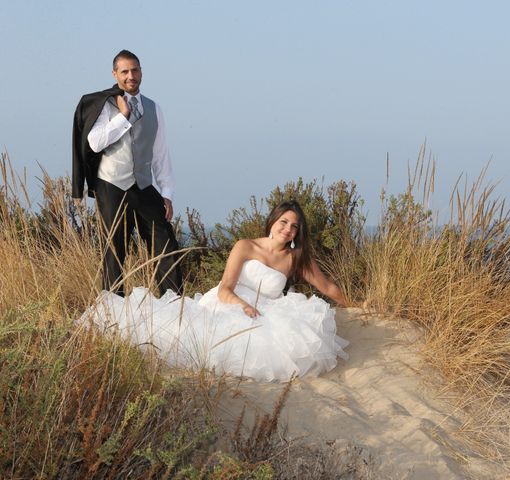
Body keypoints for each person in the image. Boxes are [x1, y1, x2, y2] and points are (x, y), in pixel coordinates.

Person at [83, 200, 349, 382]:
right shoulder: (246, 246)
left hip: (268, 309)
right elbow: (225, 289)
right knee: (185, 335)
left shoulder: (296, 257)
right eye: (284, 222)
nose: (288, 229)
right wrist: (242, 306)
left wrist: (355, 303)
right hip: (228, 303)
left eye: (294, 226)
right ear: (272, 222)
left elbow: (326, 286)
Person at [72, 49, 182, 297]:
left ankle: (174, 304)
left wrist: (166, 192)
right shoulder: (105, 105)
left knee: (165, 243)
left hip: (144, 186)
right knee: (114, 250)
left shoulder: (155, 108)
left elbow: (160, 153)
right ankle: (114, 307)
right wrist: (124, 116)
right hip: (111, 184)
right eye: (125, 71)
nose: (131, 75)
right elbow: (95, 142)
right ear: (115, 74)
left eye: (135, 70)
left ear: (141, 71)